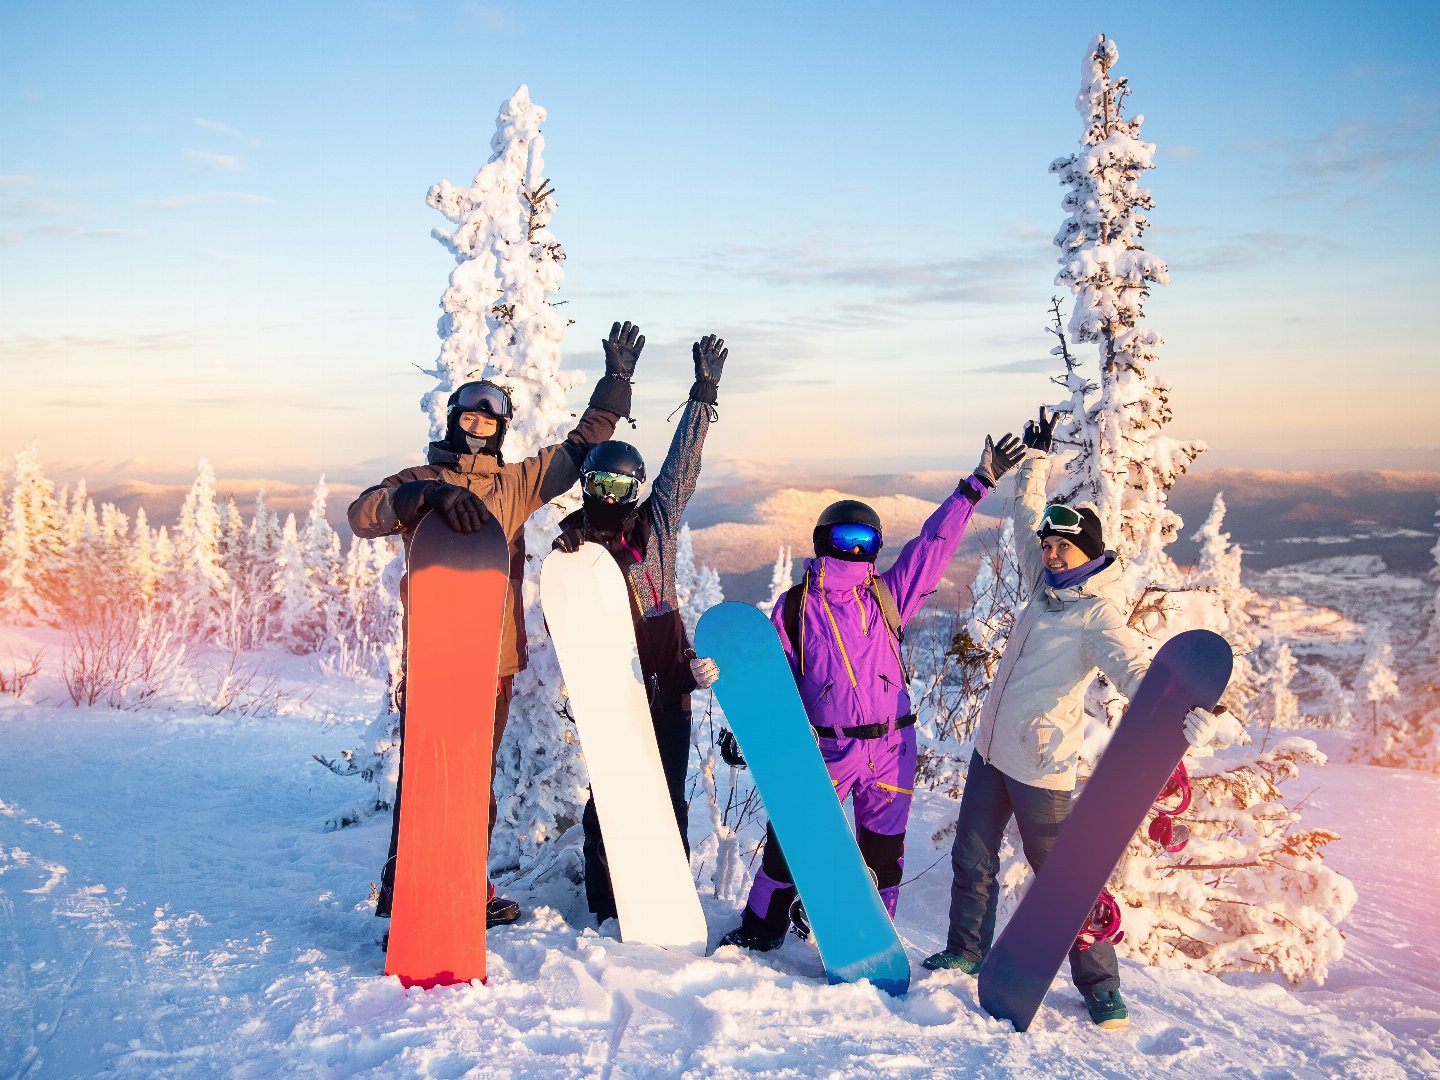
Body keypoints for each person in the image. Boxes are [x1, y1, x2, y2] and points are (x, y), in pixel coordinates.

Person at [922, 406, 1224, 1031]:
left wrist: (1191, 717)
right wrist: (1033, 468)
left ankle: (1101, 988)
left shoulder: (1097, 617)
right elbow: (1026, 524)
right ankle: (966, 951)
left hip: (1041, 771)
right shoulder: (1042, 588)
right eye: (1051, 547)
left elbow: (1143, 678)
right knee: (971, 861)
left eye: (1064, 547)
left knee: (1066, 885)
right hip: (989, 754)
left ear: (1088, 552)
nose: (1053, 554)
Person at [347, 320, 644, 930]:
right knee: (431, 775)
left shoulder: (514, 487)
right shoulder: (418, 481)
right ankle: (403, 886)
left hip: (495, 659)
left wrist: (616, 384)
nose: (477, 425)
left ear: (502, 427)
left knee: (474, 778)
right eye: (468, 416)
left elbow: (580, 450)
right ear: (453, 421)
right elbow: (362, 514)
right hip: (436, 656)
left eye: (490, 418)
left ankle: (467, 883)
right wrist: (421, 500)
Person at [694, 430, 1028, 952]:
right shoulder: (794, 608)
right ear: (823, 540)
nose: (856, 550)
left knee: (882, 856)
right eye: (846, 539)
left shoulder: (889, 597)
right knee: (793, 845)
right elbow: (767, 681)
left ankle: (873, 940)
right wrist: (744, 729)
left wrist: (976, 486)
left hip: (893, 748)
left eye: (866, 542)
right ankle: (762, 930)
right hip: (827, 748)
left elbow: (932, 547)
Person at [551, 334, 728, 927]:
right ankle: (605, 897)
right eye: (601, 485)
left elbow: (684, 465)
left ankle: (664, 894)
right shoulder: (574, 544)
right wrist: (569, 556)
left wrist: (703, 396)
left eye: (622, 487)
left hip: (667, 678)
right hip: (612, 687)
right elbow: (568, 620)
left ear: (636, 489)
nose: (611, 496)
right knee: (612, 793)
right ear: (588, 487)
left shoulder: (657, 525)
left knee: (667, 792)